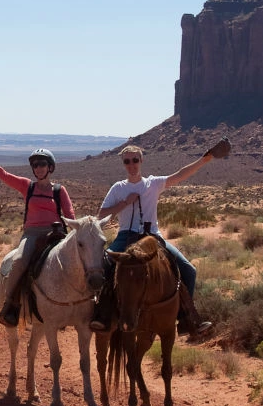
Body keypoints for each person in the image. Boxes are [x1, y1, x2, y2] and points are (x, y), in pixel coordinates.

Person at [90, 139, 230, 336]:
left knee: (188, 270)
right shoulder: (118, 188)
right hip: (125, 236)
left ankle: (185, 318)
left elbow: (181, 174)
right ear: (123, 164)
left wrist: (204, 159)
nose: (131, 165)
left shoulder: (153, 184)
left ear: (141, 161)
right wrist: (124, 203)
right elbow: (101, 215)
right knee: (104, 265)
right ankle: (102, 315)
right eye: (127, 161)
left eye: (135, 160)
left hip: (152, 237)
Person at [0, 147, 76, 326]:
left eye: (42, 164)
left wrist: (78, 229)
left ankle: (84, 304)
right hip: (32, 234)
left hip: (56, 233)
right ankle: (10, 305)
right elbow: (3, 174)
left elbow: (70, 214)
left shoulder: (59, 190)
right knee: (19, 261)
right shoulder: (28, 186)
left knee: (77, 261)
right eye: (35, 165)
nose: (38, 168)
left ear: (50, 167)